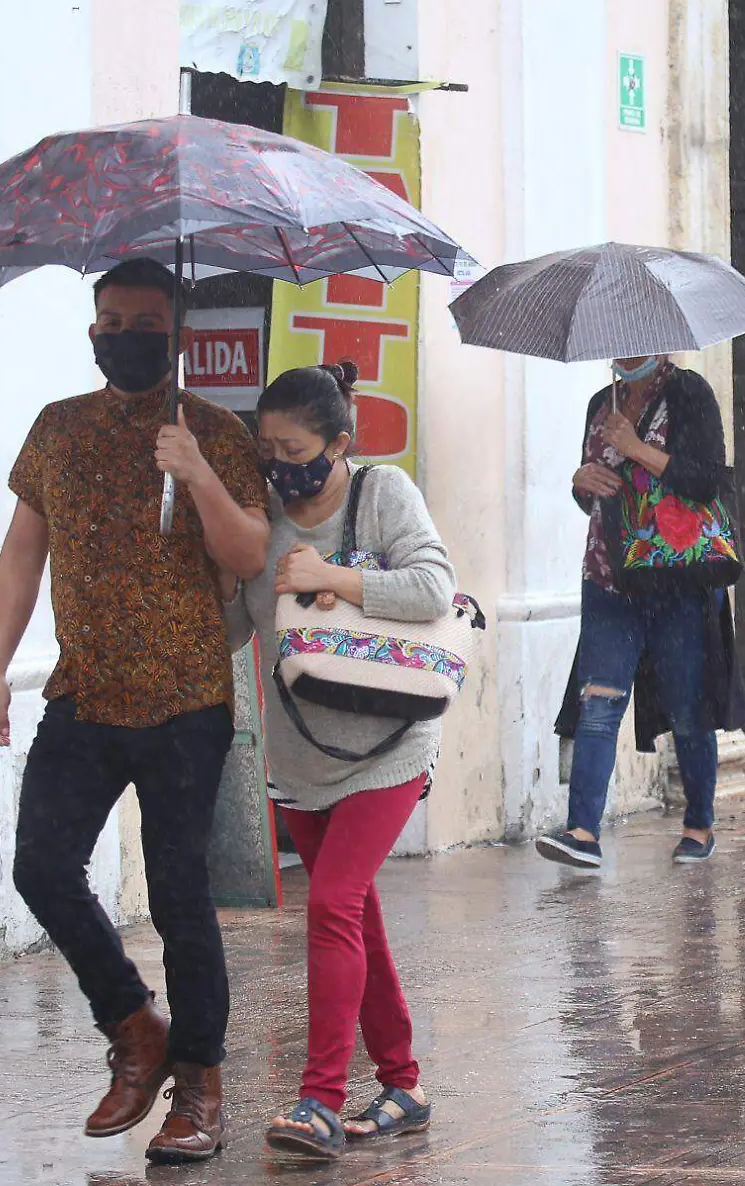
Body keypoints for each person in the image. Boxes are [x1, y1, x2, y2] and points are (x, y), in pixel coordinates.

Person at [0, 258, 270, 1163]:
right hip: (85, 692)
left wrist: (197, 472)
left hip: (185, 697)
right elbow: (24, 553)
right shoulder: (58, 429)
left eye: (145, 320)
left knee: (182, 894)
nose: (124, 333)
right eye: (110, 319)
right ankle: (135, 1024)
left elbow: (251, 552)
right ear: (92, 327)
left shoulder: (213, 430)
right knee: (41, 866)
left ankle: (202, 1089)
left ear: (175, 332)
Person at [219, 364, 456, 1159]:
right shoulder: (259, 515)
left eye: (296, 448)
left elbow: (432, 587)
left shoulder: (381, 495)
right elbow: (232, 630)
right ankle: (404, 1083)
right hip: (302, 757)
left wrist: (337, 577)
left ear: (339, 444)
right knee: (356, 916)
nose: (282, 464)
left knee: (330, 906)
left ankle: (318, 1100)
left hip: (389, 748)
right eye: (268, 448)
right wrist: (222, 562)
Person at [538, 354, 745, 869]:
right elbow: (595, 495)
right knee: (599, 702)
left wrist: (635, 447)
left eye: (636, 344)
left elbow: (703, 481)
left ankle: (699, 824)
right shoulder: (599, 403)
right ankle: (583, 831)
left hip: (676, 578)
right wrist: (581, 482)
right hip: (609, 577)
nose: (625, 355)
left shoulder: (690, 393)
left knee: (686, 709)